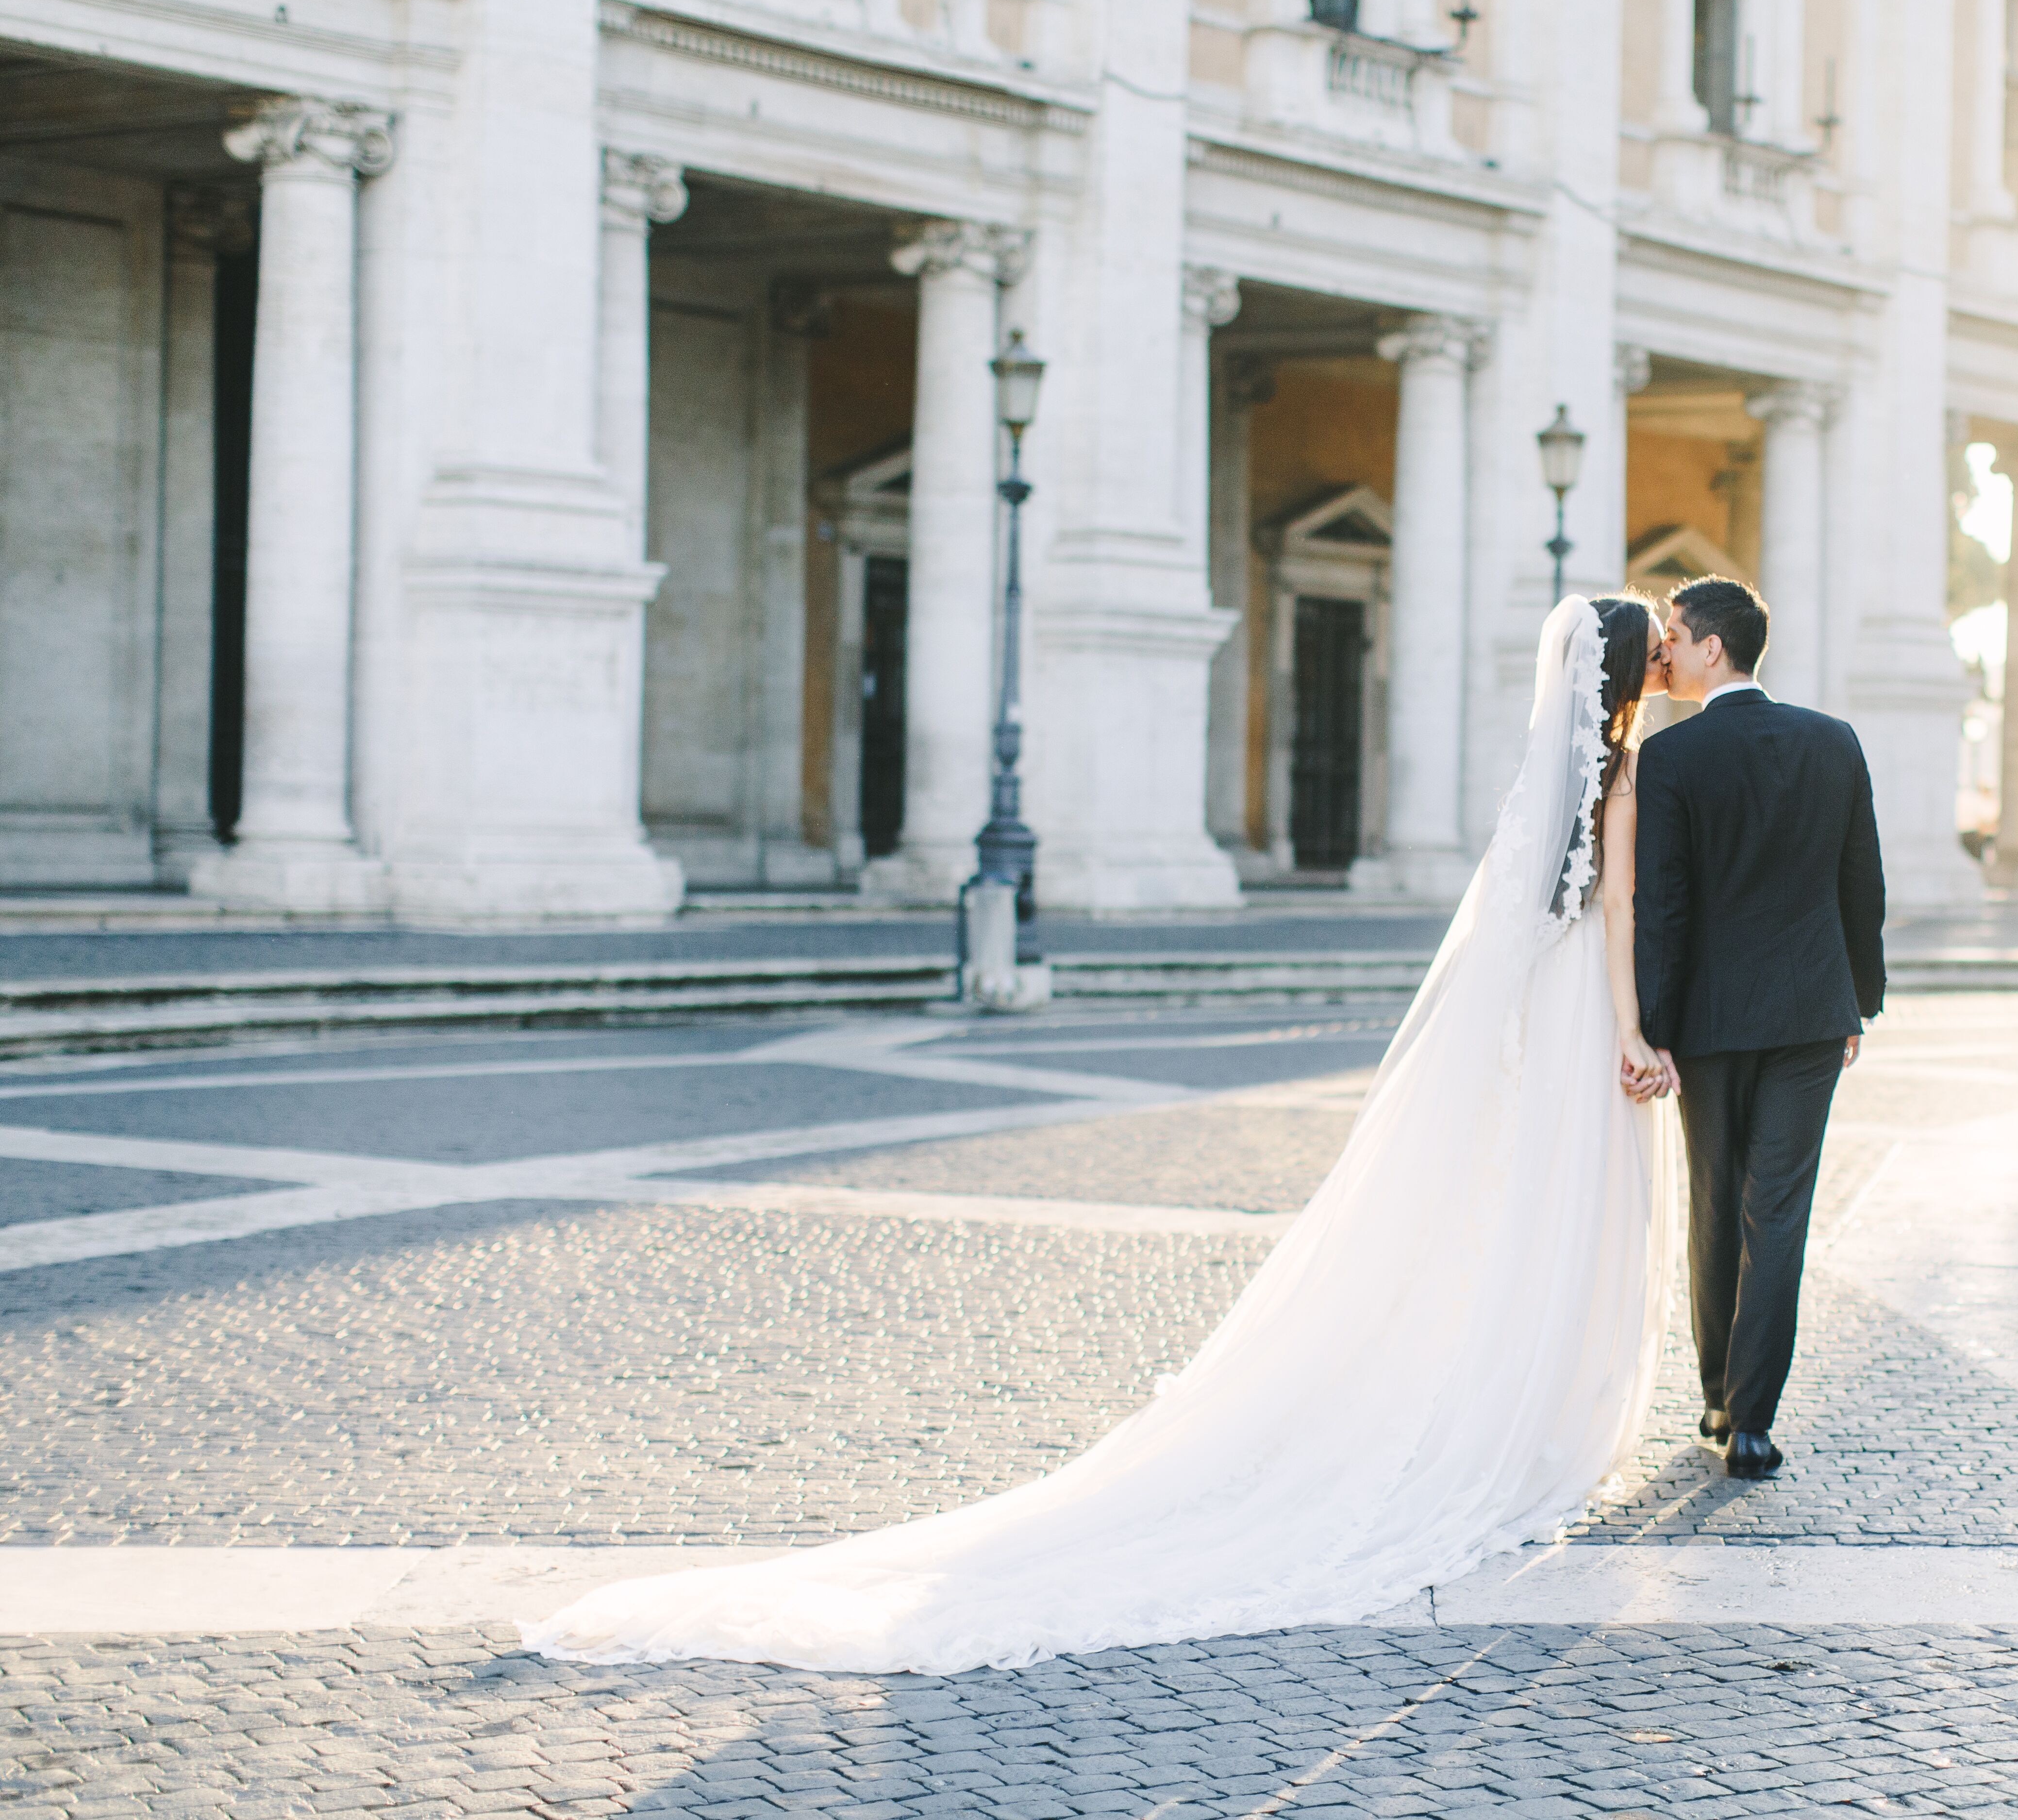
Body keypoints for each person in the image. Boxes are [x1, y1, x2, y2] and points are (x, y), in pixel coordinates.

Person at [527, 595, 1682, 1675]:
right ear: (1636, 672)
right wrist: (1634, 1026)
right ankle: (1535, 1415)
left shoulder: (1547, 780)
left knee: (1514, 1204)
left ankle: (1502, 1402)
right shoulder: (1623, 771)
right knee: (1556, 1212)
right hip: (1583, 1007)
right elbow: (1617, 909)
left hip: (1534, 1008)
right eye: (1660, 646)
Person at [1626, 575, 1886, 1481]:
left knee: (1715, 1200)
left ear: (1708, 646)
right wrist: (1860, 998)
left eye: (1674, 635)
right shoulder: (1834, 742)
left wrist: (1654, 1028)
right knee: (1777, 1213)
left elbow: (1661, 907)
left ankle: (1713, 1395)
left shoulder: (1672, 758)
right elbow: (1862, 884)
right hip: (1815, 1014)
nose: (1667, 650)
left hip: (1709, 1019)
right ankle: (1752, 1423)